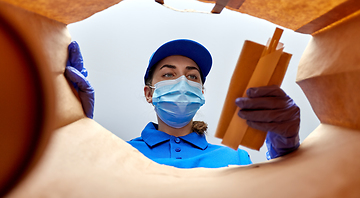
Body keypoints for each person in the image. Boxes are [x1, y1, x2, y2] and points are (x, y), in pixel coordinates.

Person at [66, 39, 300, 169]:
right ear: (149, 93)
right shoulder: (117, 153)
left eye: (192, 76)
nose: (182, 82)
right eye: (168, 75)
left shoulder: (235, 159)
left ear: (201, 93)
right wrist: (75, 129)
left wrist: (286, 150)